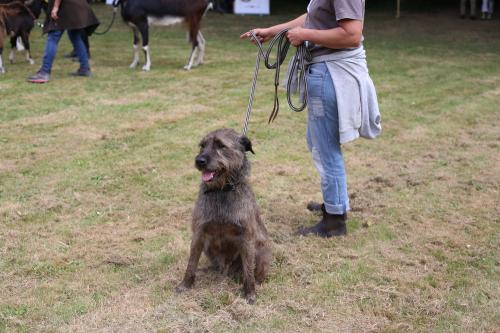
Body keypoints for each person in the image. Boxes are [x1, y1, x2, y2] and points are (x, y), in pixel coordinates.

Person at [241, 0, 381, 238]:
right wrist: (274, 31)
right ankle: (335, 203)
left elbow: (351, 35)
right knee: (320, 145)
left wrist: (304, 35)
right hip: (324, 71)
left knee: (325, 149)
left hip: (331, 73)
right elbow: (311, 18)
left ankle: (335, 220)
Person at [27, 0, 99, 83]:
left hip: (65, 7)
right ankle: (85, 68)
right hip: (77, 6)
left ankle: (44, 72)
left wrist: (55, 7)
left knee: (53, 36)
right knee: (75, 36)